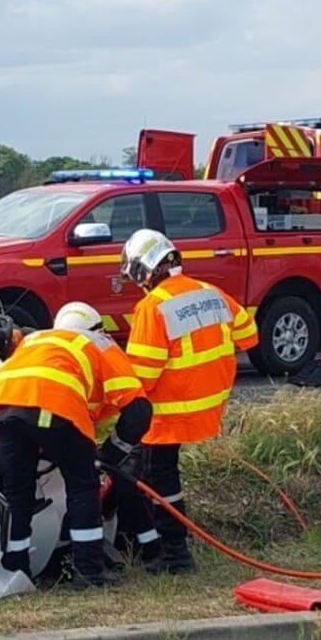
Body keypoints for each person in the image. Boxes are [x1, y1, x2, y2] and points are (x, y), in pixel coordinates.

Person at [0, 300, 153, 587]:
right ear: (98, 328)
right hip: (55, 406)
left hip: (1, 409)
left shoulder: (35, 339)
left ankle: (16, 569)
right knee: (83, 486)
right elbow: (139, 410)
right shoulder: (98, 342)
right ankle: (88, 571)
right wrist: (110, 453)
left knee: (18, 495)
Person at [120, 228, 258, 574]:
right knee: (152, 473)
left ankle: (176, 555)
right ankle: (154, 543)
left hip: (170, 412)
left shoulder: (152, 307)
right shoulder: (211, 292)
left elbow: (142, 378)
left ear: (144, 271)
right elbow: (249, 335)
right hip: (208, 406)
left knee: (158, 478)